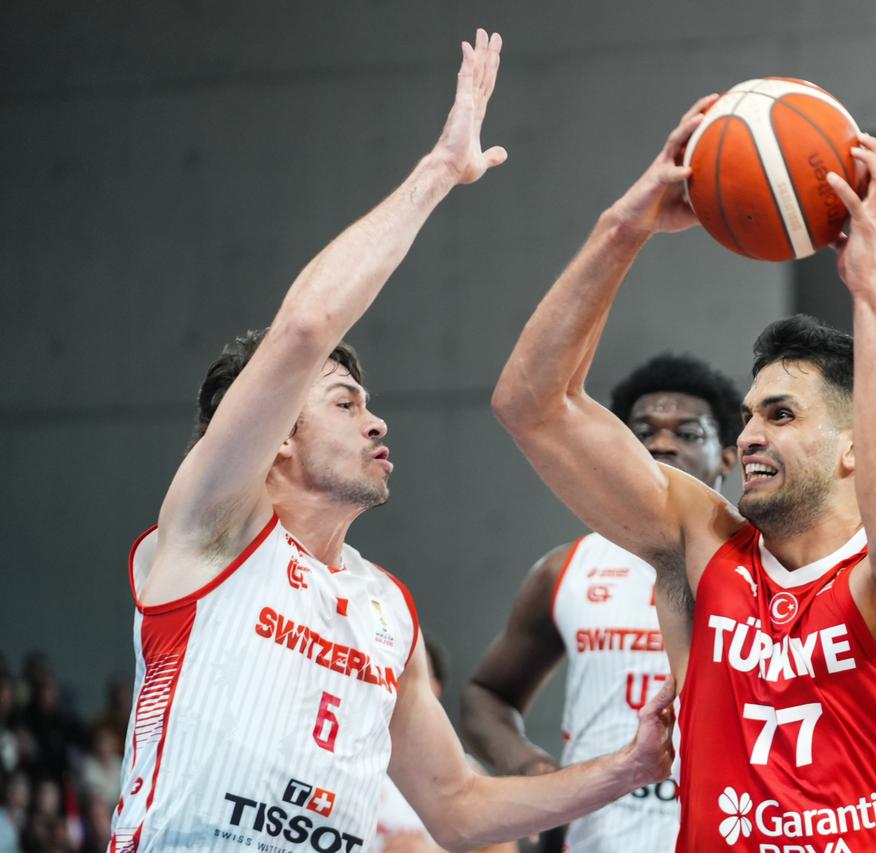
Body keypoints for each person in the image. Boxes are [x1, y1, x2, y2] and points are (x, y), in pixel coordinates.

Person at [109, 30, 673, 852]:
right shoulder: (211, 525)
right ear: (273, 442)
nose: (376, 420)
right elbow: (306, 326)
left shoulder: (387, 611)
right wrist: (441, 170)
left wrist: (630, 765)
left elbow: (457, 807)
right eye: (344, 402)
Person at [492, 99, 876, 850]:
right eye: (750, 416)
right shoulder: (700, 546)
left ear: (855, 447)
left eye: (781, 415)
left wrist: (871, 296)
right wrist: (625, 227)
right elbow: (531, 403)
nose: (750, 435)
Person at [462, 354, 741, 852]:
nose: (661, 444)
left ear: (728, 456)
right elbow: (486, 695)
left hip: (730, 831)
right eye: (643, 432)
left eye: (688, 433)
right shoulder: (565, 569)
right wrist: (532, 770)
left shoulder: (766, 570)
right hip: (595, 837)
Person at [373, 639, 515, 853]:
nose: (398, 683)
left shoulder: (466, 771)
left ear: (434, 688)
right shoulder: (339, 757)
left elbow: (502, 847)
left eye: (409, 674)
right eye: (393, 670)